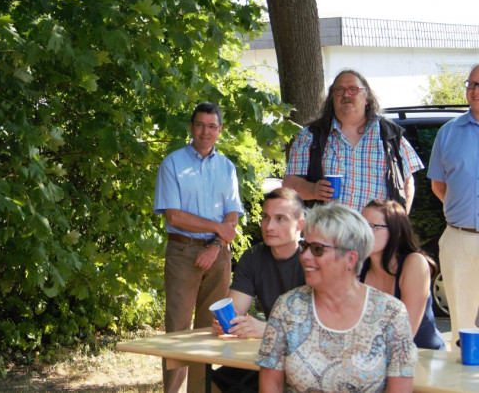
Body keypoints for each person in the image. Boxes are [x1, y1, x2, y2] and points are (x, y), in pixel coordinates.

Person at [256, 203, 417, 392]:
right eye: (305, 245)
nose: (305, 256)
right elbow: (270, 385)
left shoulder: (391, 314)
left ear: (350, 259)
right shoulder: (288, 307)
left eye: (317, 249)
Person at [154, 102, 243, 392]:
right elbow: (174, 215)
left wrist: (216, 244)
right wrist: (218, 228)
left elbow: (233, 215)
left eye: (212, 126)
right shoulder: (173, 164)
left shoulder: (227, 167)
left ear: (219, 130)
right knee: (178, 332)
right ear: (192, 127)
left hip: (218, 255)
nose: (206, 131)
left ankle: (199, 391)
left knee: (211, 330)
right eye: (200, 125)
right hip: (182, 252)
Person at [283, 69, 423, 212]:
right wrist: (313, 189)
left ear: (367, 98)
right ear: (332, 99)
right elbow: (289, 185)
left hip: (376, 232)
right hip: (327, 232)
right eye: (339, 90)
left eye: (353, 89)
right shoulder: (311, 136)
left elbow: (407, 182)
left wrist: (400, 223)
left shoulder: (390, 135)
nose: (346, 94)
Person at [211, 187, 306, 393]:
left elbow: (321, 328)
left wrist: (267, 330)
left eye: (280, 218)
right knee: (210, 384)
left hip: (307, 356)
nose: (269, 226)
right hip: (269, 354)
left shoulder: (315, 259)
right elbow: (235, 309)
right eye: (265, 217)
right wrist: (226, 323)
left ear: (300, 225)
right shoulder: (253, 257)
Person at [427, 63, 479, 345]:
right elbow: (438, 185)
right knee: (462, 324)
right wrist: (466, 212)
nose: (474, 90)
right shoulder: (448, 133)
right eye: (471, 84)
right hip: (459, 239)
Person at [360, 199, 445, 350]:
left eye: (373, 226)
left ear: (396, 233)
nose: (363, 232)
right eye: (360, 224)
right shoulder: (356, 266)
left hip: (424, 357)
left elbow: (405, 334)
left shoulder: (414, 263)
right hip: (374, 358)